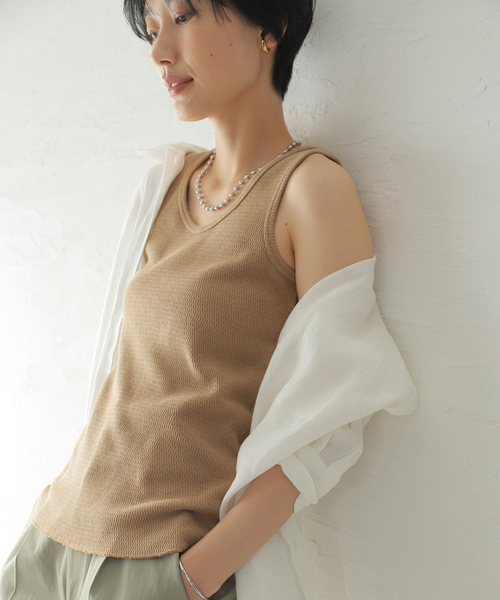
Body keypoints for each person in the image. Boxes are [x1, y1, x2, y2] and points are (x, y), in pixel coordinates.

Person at [1, 1, 418, 599]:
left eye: (185, 15)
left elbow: (336, 417)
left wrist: (193, 578)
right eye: (152, 29)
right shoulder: (165, 183)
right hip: (50, 540)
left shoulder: (309, 190)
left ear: (269, 27)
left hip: (158, 567)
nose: (159, 52)